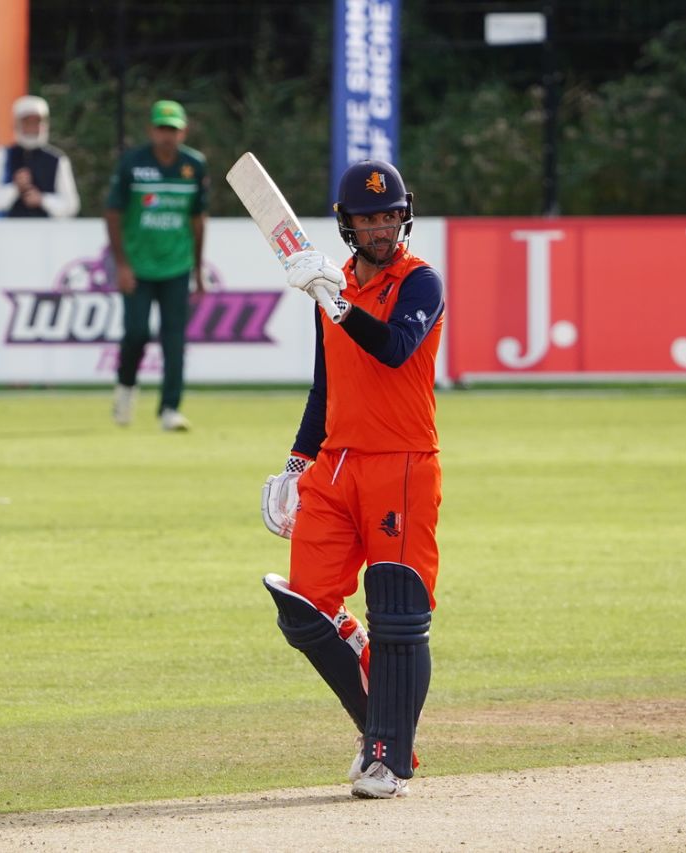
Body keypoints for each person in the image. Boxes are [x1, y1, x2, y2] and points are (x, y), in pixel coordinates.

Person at [259, 159, 445, 799]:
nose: (381, 230)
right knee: (306, 608)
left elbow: (393, 349)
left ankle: (389, 759)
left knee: (398, 611)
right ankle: (382, 724)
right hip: (335, 466)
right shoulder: (330, 289)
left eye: (390, 216)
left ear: (404, 216)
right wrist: (295, 464)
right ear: (347, 225)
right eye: (368, 220)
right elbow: (326, 386)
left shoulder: (420, 282)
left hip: (401, 462)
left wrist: (333, 302)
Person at [105, 99, 208, 431]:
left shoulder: (194, 165)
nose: (167, 136)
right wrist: (121, 264)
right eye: (162, 129)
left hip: (176, 265)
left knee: (174, 339)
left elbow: (198, 219)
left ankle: (170, 408)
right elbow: (113, 213)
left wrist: (197, 268)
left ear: (183, 132)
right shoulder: (133, 163)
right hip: (138, 265)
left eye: (173, 130)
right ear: (151, 130)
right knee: (136, 333)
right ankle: (126, 388)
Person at [0, 95, 79, 218]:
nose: (32, 127)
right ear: (17, 124)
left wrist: (42, 200)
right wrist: (15, 187)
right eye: (27, 122)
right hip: (8, 228)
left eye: (37, 122)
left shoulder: (57, 159)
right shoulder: (2, 155)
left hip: (47, 229)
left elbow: (71, 206)